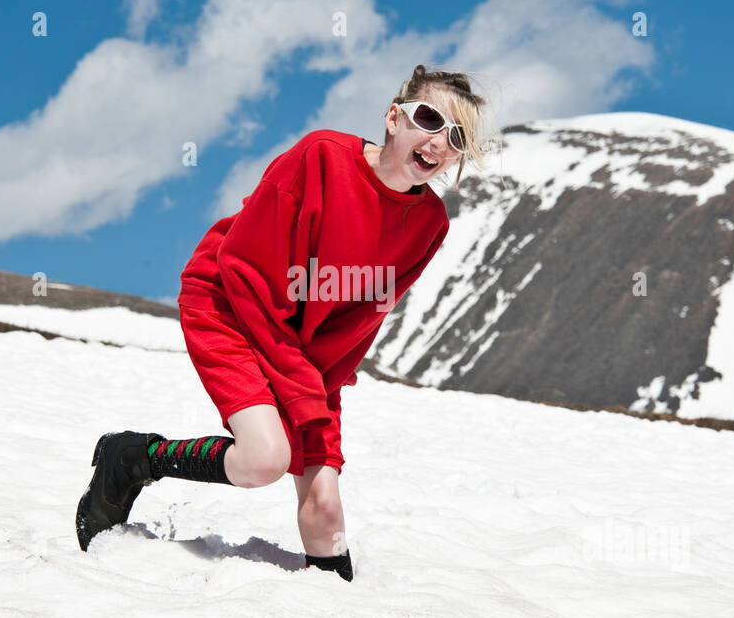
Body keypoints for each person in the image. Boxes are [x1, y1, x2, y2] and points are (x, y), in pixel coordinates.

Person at [75, 64, 491, 581]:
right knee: (264, 459)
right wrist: (298, 387)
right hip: (229, 307)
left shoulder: (429, 224)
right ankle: (134, 459)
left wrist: (313, 393)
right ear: (393, 117)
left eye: (455, 137)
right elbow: (245, 272)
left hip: (306, 352)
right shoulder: (320, 158)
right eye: (428, 119)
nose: (437, 142)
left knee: (326, 515)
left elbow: (362, 320)